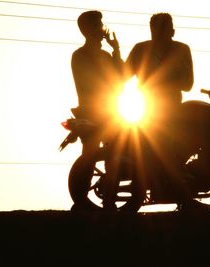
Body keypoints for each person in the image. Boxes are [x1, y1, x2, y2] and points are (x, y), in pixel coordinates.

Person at [125, 12, 210, 211]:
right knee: (164, 154)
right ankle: (185, 200)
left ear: (172, 31)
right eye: (157, 29)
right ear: (152, 30)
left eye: (164, 29)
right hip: (148, 111)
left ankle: (179, 194)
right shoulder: (140, 49)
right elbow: (122, 75)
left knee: (175, 151)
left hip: (172, 110)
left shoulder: (182, 49)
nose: (160, 33)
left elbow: (188, 84)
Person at [71, 10, 123, 211]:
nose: (103, 28)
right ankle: (83, 200)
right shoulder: (80, 56)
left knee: (112, 157)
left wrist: (116, 51)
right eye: (99, 25)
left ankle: (108, 202)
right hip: (94, 114)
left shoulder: (103, 55)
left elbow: (122, 78)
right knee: (93, 156)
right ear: (89, 29)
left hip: (110, 112)